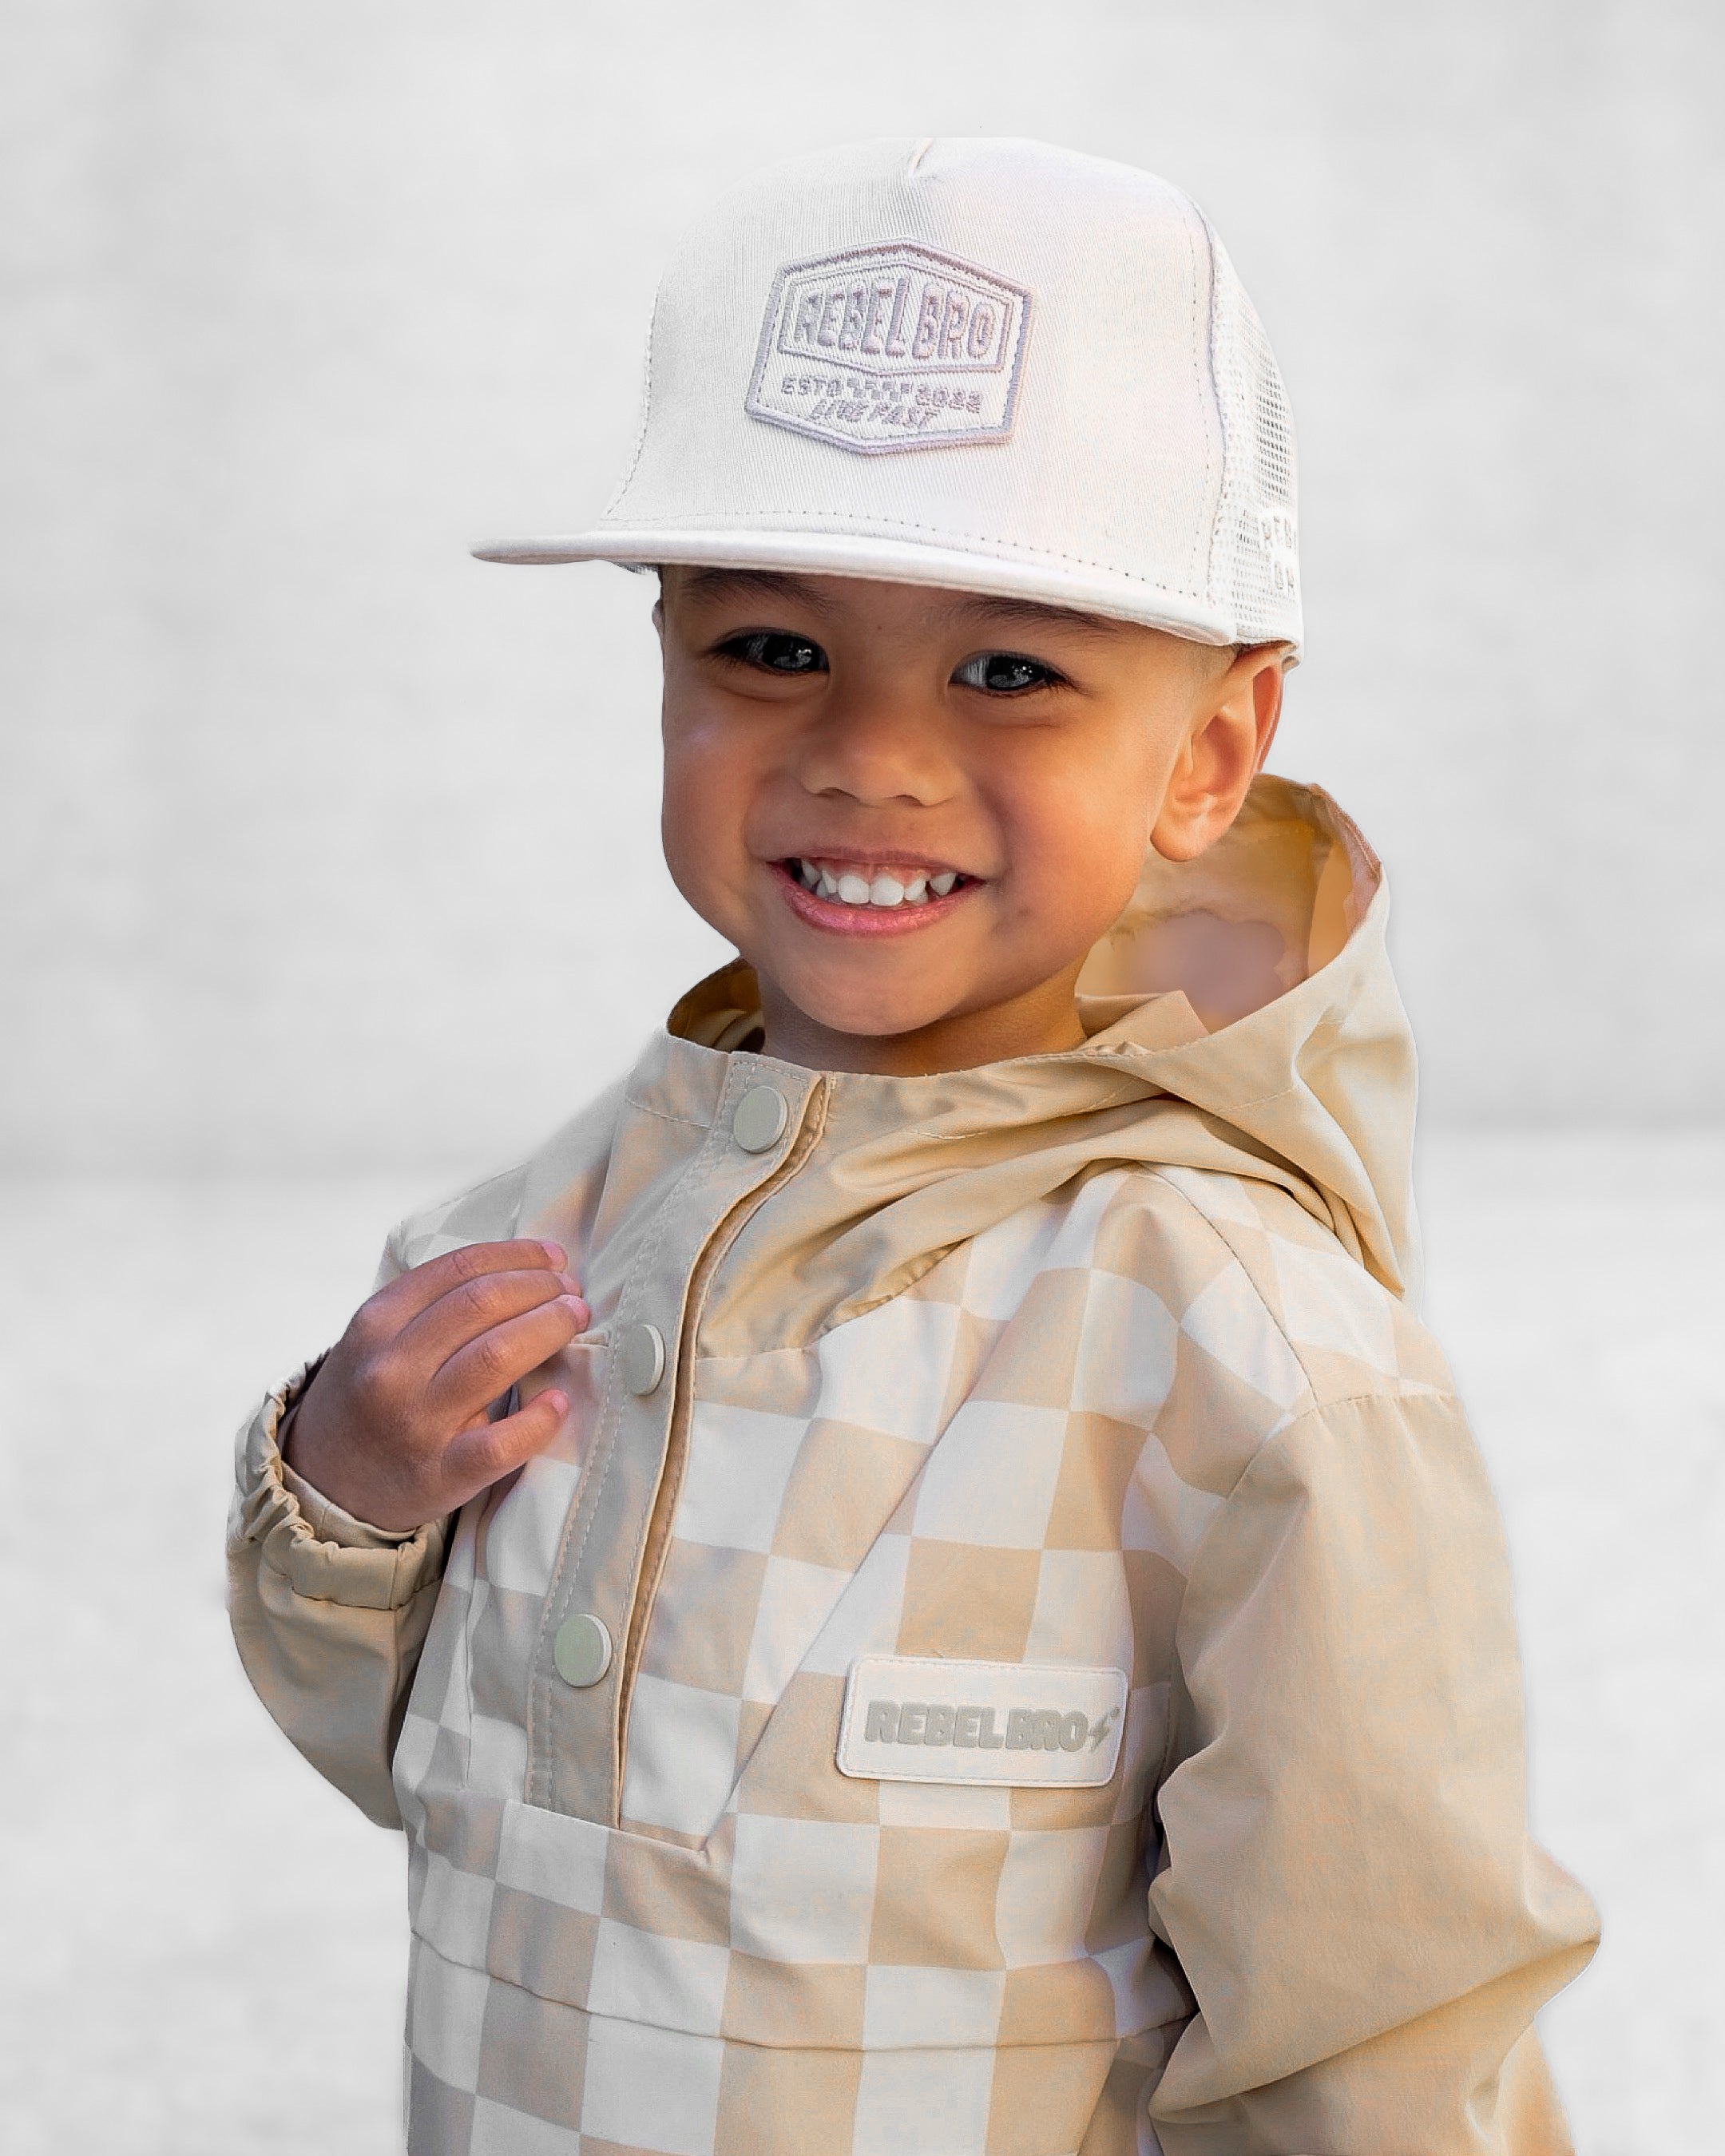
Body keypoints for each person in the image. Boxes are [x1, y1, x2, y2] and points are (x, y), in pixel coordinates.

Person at [228, 137, 1598, 2155]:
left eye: (1010, 670)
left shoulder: (1242, 1352)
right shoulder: (529, 1240)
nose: (871, 755)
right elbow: (433, 1775)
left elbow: (1380, 2018)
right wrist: (343, 1506)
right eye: (772, 649)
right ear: (665, 656)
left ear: (1211, 757)